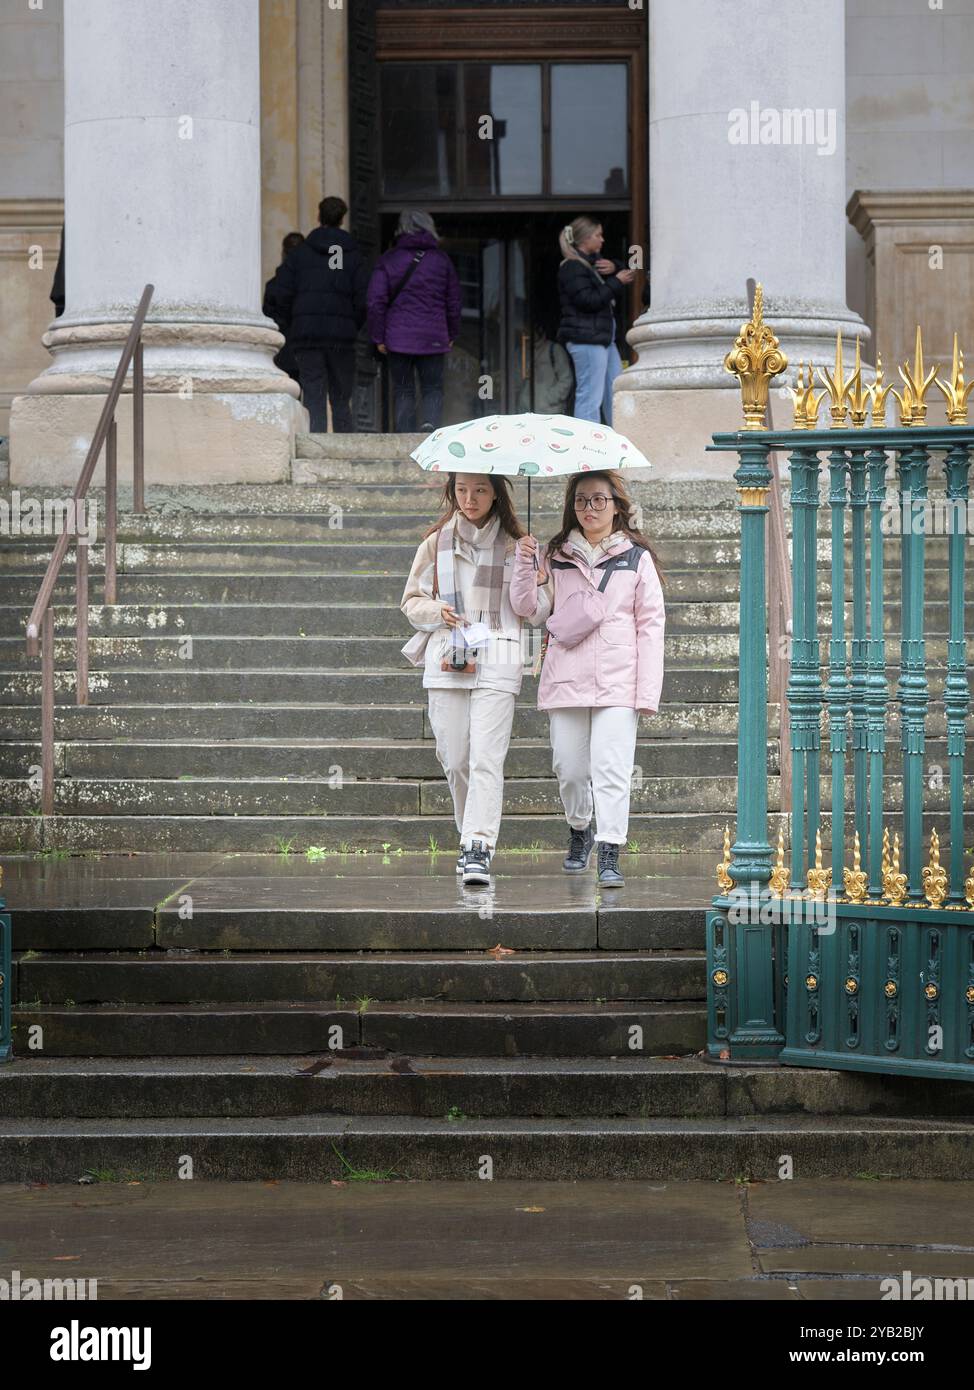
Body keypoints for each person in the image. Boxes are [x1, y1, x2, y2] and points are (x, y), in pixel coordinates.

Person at [510, 470, 665, 887]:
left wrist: (646, 692)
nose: (589, 508)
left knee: (611, 768)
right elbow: (531, 611)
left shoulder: (636, 558)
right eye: (581, 500)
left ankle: (610, 849)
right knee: (570, 767)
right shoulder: (555, 554)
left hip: (619, 679)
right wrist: (526, 566)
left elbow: (651, 626)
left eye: (598, 500)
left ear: (617, 505)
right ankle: (581, 829)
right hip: (566, 675)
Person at [400, 472, 551, 886]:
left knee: (486, 757)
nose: (470, 498)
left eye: (480, 489)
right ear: (452, 493)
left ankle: (477, 847)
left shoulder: (519, 546)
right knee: (454, 759)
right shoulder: (436, 542)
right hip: (448, 657)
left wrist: (532, 574)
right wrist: (437, 612)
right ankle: (468, 833)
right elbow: (410, 601)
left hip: (499, 659)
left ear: (496, 494)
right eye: (462, 490)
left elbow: (537, 612)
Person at [274, 196, 368, 432]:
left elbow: (279, 294)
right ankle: (345, 449)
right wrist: (351, 325)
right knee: (340, 398)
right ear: (342, 219)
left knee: (313, 396)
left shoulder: (299, 254)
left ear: (319, 216)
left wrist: (293, 322)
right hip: (341, 338)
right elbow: (364, 299)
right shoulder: (353, 255)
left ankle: (317, 446)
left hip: (308, 336)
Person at [368, 210, 461, 432]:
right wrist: (452, 333)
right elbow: (454, 302)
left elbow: (374, 301)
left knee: (403, 389)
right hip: (434, 337)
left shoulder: (389, 259)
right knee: (432, 388)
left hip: (398, 338)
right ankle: (429, 426)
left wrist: (378, 336)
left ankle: (404, 435)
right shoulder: (441, 260)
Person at [555, 217, 635, 425]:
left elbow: (614, 271)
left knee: (614, 394)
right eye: (597, 235)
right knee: (590, 397)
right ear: (584, 239)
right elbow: (588, 300)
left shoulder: (587, 265)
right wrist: (616, 282)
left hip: (601, 339)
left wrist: (615, 267)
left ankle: (613, 441)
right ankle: (586, 447)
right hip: (587, 339)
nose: (602, 240)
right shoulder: (572, 267)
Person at [263, 231, 305, 385]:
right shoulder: (311, 285)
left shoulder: (273, 285)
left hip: (282, 351)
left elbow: (270, 319)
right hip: (307, 348)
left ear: (283, 252)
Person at [516, 324, 574, 415]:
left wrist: (550, 398)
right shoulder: (522, 351)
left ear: (540, 330)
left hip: (549, 411)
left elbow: (566, 379)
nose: (527, 334)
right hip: (525, 410)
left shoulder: (554, 350)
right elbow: (516, 379)